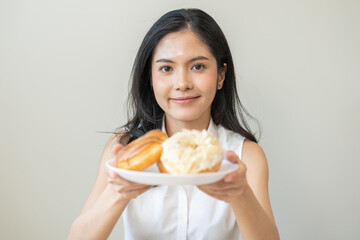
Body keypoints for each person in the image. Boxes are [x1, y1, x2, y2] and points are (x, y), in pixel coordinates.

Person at [68, 8, 279, 240]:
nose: (182, 83)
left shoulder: (244, 156)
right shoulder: (126, 149)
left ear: (220, 75)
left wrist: (241, 195)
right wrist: (118, 192)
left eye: (197, 66)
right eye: (166, 68)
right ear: (150, 77)